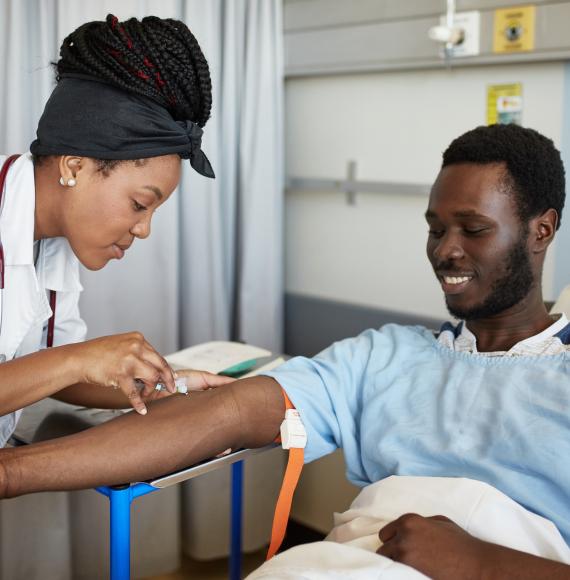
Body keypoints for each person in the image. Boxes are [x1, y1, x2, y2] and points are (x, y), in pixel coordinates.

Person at [1, 124, 570, 579]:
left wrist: (483, 565)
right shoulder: (386, 357)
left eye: (472, 229)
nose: (446, 251)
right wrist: (11, 473)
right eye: (435, 229)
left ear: (541, 230)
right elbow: (224, 414)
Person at [0, 14, 234, 448]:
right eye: (140, 204)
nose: (143, 229)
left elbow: (47, 373)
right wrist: (79, 359)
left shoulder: (53, 244)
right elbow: (63, 366)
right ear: (75, 166)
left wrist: (167, 384)